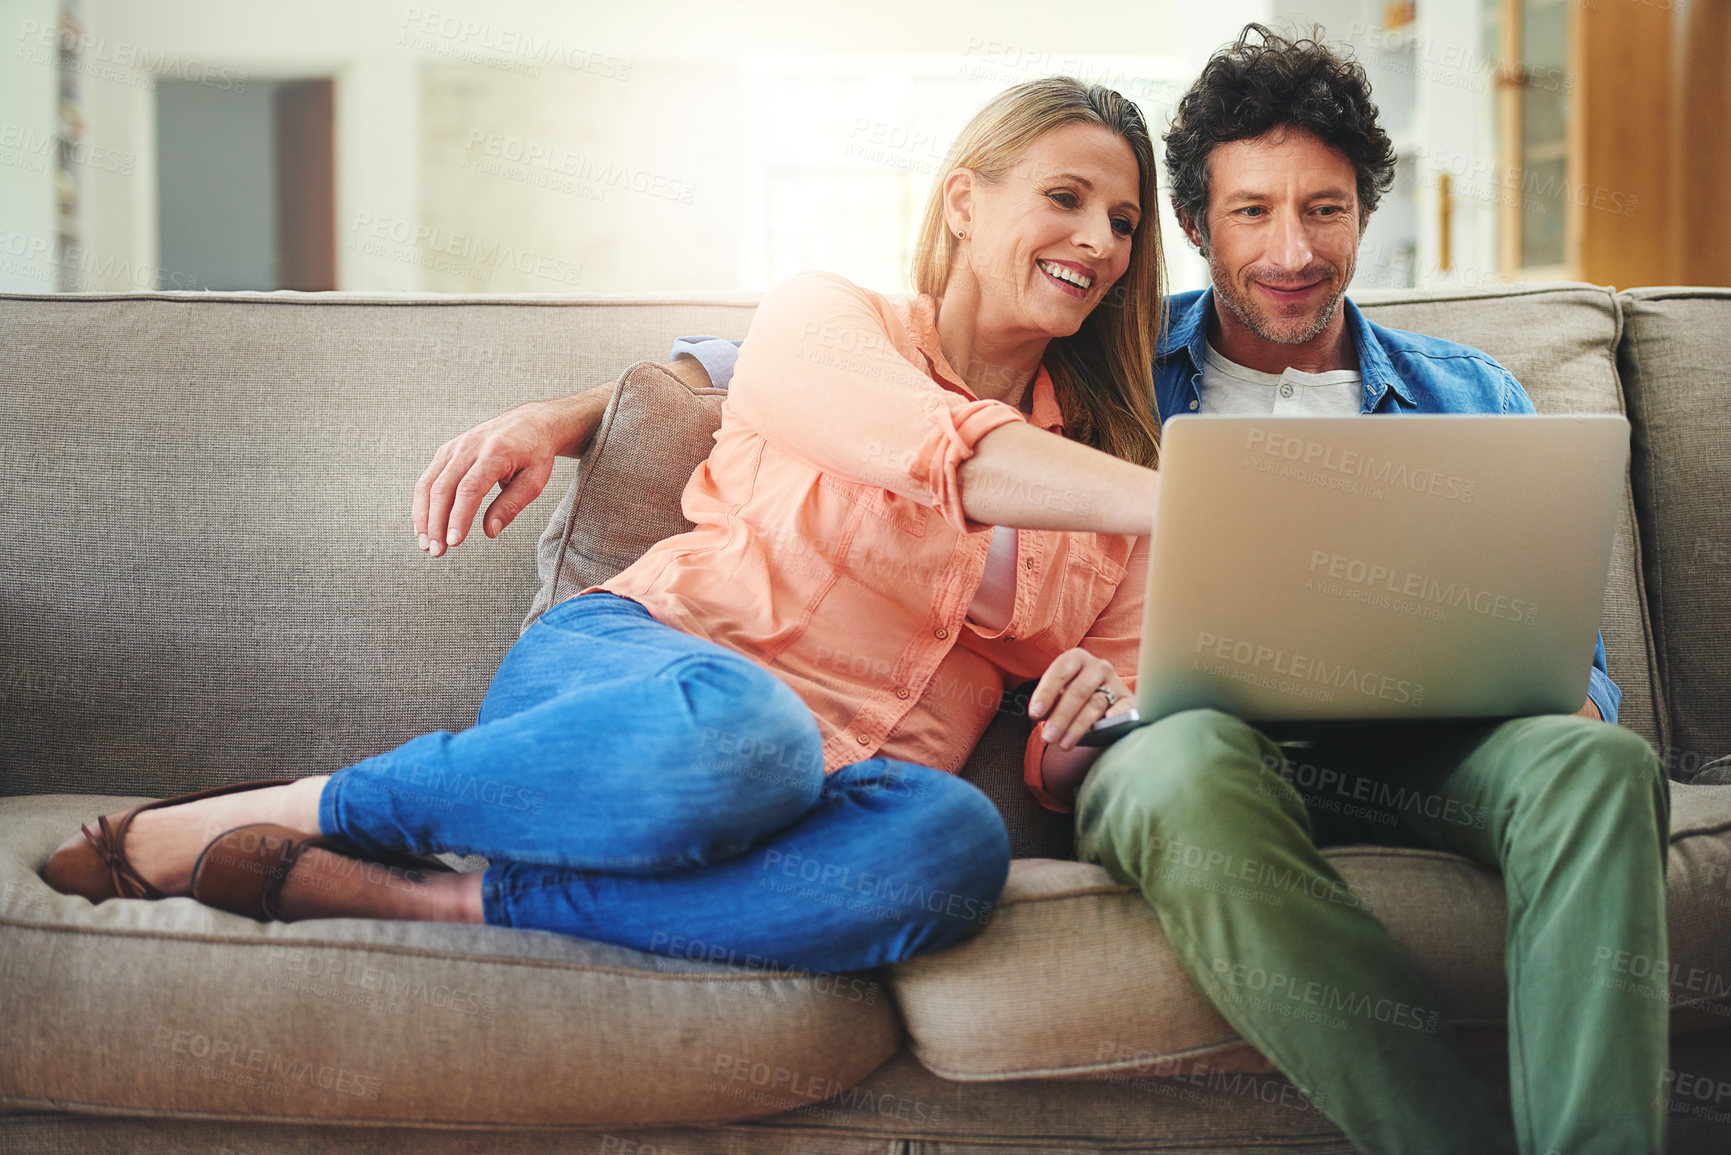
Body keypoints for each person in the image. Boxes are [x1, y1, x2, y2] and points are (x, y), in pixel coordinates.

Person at [420, 27, 1669, 1155]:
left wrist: (1572, 700)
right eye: (1251, 214)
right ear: (1199, 226)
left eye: (1324, 211)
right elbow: (824, 368)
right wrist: (580, 412)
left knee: (1598, 764)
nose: (1290, 252)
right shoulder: (1122, 372)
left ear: (1364, 217)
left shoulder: (1465, 395)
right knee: (1163, 770)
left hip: (1419, 739)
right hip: (1186, 735)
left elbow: (1554, 636)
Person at [45, 76, 1178, 978]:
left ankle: (443, 897)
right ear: (966, 201)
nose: (1101, 241)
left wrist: (1077, 739)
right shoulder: (824, 321)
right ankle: (293, 808)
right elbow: (948, 452)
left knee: (951, 848)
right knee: (754, 731)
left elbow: (1076, 747)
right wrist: (1185, 496)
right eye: (1067, 197)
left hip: (833, 790)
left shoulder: (1111, 497)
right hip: (639, 689)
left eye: (1125, 223)